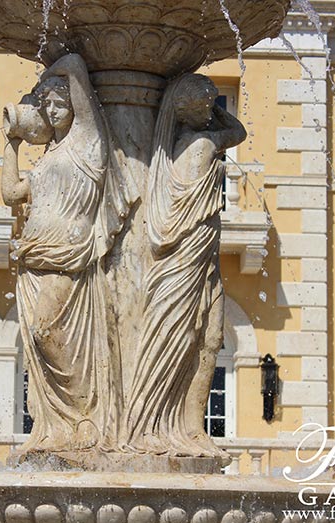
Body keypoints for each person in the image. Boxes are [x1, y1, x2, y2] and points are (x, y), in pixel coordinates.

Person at [1, 53, 125, 452]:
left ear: (75, 104)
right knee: (37, 339)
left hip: (66, 256)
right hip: (34, 260)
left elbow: (73, 61)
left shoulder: (88, 141)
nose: (52, 110)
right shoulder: (49, 157)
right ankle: (57, 425)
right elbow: (10, 194)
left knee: (46, 330)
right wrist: (12, 143)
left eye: (60, 103)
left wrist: (51, 72)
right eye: (47, 104)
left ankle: (83, 416)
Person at [121, 73, 246, 456]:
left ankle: (184, 425)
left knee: (202, 337)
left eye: (212, 106)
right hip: (190, 259)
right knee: (201, 337)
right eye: (205, 106)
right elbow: (237, 132)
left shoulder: (171, 152)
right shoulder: (204, 143)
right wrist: (214, 113)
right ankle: (182, 426)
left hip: (191, 257)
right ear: (190, 113)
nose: (211, 112)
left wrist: (190, 101)